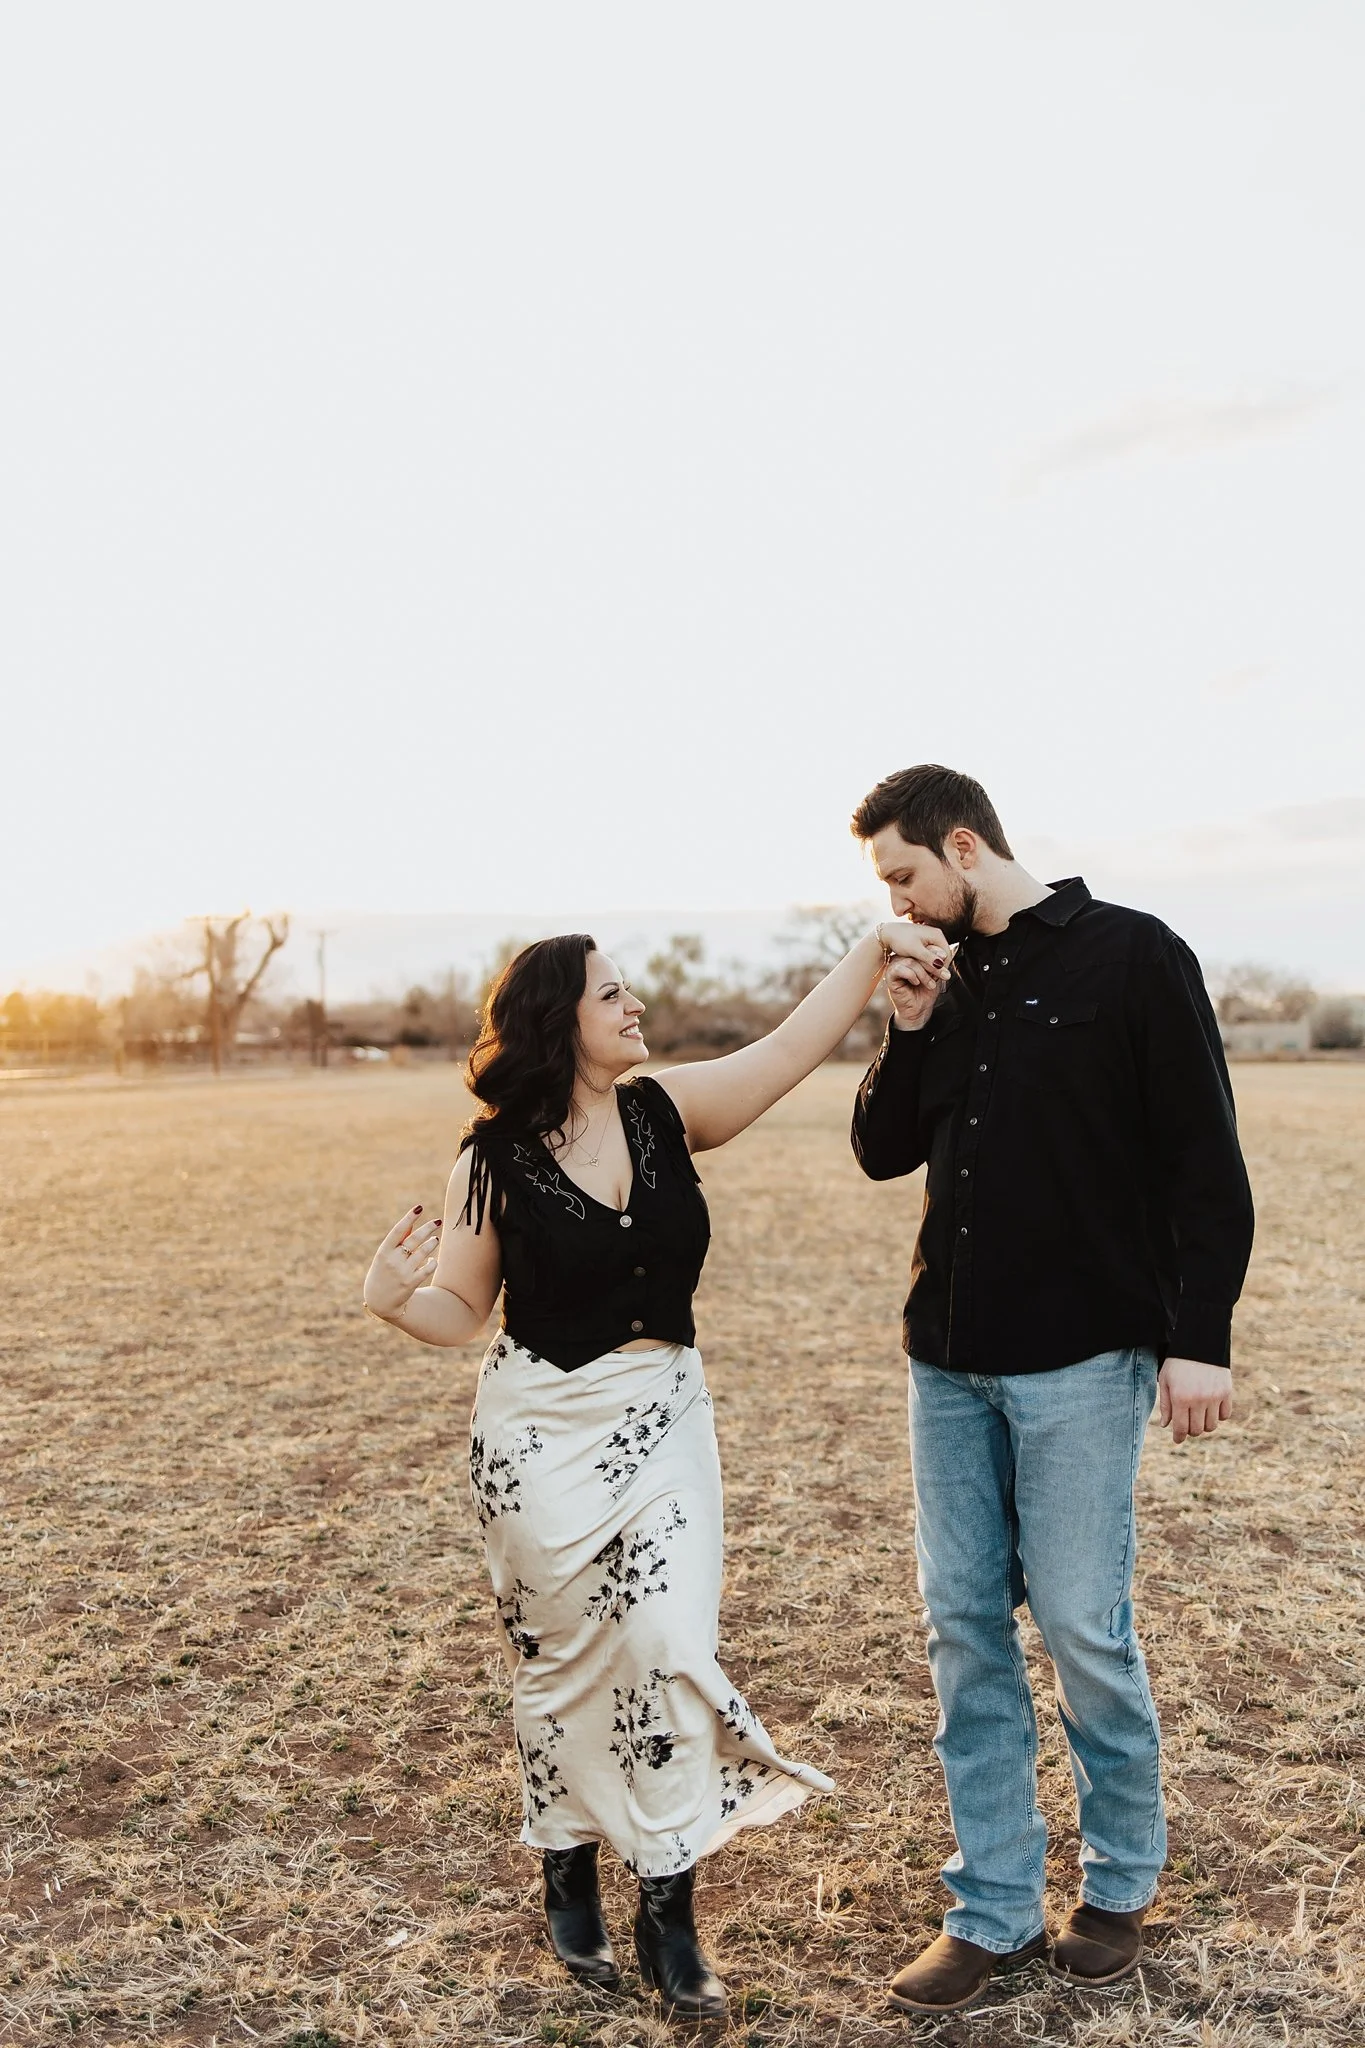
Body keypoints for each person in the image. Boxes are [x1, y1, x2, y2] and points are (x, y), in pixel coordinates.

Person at [362, 920, 944, 2019]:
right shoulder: (490, 1159)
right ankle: (566, 1858)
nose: (635, 1006)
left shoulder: (666, 1110)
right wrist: (392, 1301)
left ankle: (668, 1908)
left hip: (663, 1417)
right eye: (611, 994)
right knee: (565, 1662)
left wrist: (870, 955)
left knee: (669, 1644)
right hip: (538, 1434)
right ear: (558, 1022)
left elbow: (784, 1050)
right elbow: (460, 1304)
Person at [849, 764, 1255, 2015]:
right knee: (963, 1630)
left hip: (1085, 1356)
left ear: (963, 846)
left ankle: (1121, 1883)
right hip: (948, 1360)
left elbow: (1205, 1155)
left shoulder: (1133, 956)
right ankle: (993, 1909)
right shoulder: (942, 983)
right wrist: (904, 1027)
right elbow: (879, 1149)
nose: (898, 906)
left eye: (904, 875)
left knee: (1082, 1625)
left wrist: (1202, 1333)